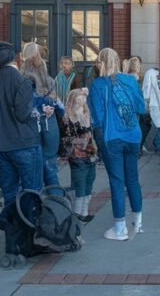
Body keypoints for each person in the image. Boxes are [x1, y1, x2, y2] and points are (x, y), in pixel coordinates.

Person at [0, 41, 43, 268]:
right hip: (25, 143)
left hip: (2, 145)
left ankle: (11, 242)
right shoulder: (22, 81)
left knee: (9, 193)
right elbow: (22, 113)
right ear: (14, 59)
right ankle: (27, 242)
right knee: (30, 192)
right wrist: (36, 113)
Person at [90, 48, 145, 240]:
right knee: (132, 178)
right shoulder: (130, 80)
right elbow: (141, 107)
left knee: (116, 180)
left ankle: (120, 227)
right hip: (133, 135)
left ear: (101, 63)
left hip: (112, 137)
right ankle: (137, 222)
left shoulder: (97, 85)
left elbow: (97, 116)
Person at [21, 42, 62, 189]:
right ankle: (55, 199)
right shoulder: (48, 79)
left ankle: (33, 199)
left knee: (34, 163)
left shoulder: (21, 77)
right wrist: (50, 106)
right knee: (49, 161)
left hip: (32, 123)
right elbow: (54, 99)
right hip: (48, 121)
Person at [61, 88, 97, 223]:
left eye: (83, 99)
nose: (82, 102)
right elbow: (66, 140)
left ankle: (85, 212)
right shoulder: (67, 118)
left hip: (90, 155)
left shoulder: (86, 114)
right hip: (77, 157)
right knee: (79, 186)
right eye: (78, 100)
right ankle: (77, 215)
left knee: (89, 182)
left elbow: (90, 134)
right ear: (72, 101)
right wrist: (83, 143)